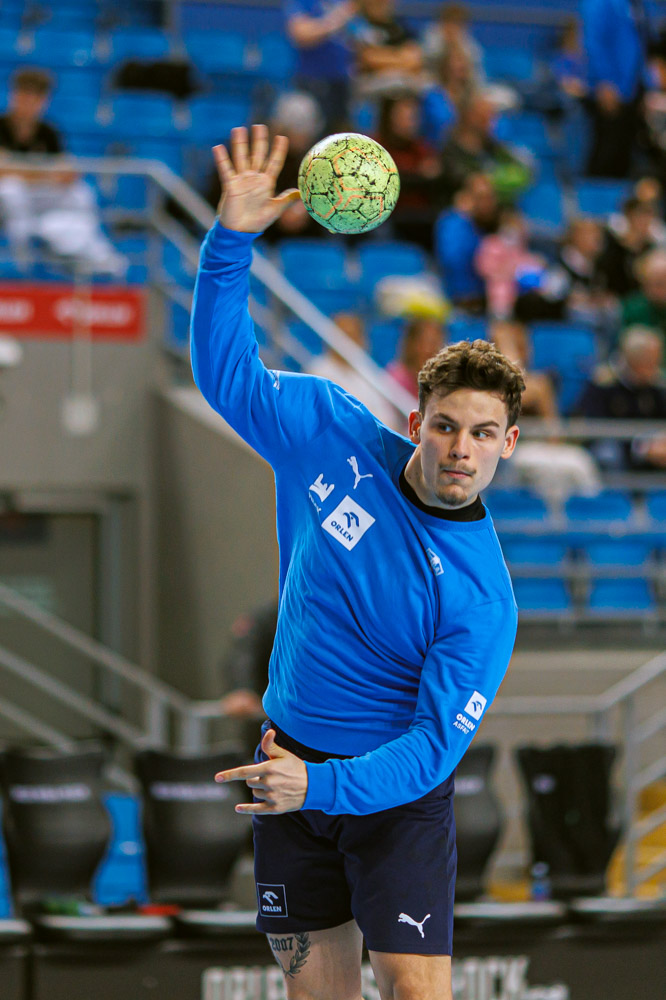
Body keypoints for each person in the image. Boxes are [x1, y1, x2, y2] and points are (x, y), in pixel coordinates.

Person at [191, 124, 524, 1000]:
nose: (460, 448)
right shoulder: (331, 432)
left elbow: (431, 753)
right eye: (445, 425)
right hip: (286, 769)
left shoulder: (483, 599)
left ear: (508, 445)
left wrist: (322, 785)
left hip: (392, 801)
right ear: (416, 422)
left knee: (415, 993)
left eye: (482, 433)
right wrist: (230, 243)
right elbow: (227, 377)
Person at [0, 67, 126, 276]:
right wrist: (44, 173)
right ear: (14, 95)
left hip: (39, 193)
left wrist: (36, 173)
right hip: (9, 202)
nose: (28, 102)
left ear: (43, 101)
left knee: (81, 193)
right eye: (23, 95)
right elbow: (3, 171)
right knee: (10, 189)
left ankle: (93, 251)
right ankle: (23, 255)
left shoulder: (49, 132)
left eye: (35, 97)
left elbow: (66, 170)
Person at [576, 325, 666, 470]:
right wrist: (641, 448)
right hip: (616, 445)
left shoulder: (657, 387)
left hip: (653, 445)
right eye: (650, 358)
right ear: (633, 358)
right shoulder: (605, 384)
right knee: (608, 453)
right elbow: (595, 426)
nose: (655, 364)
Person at [581, 0, 649, 178]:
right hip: (610, 91)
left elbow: (639, 44)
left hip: (631, 90)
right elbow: (594, 40)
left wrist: (644, 86)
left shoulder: (637, 4)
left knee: (624, 158)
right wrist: (604, 81)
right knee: (605, 156)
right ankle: (595, 194)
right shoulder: (602, 3)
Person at [309, 311, 402, 429]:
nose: (347, 342)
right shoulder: (318, 372)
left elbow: (388, 417)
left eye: (353, 336)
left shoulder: (368, 369)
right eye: (343, 336)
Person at [284, 0, 357, 132]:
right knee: (313, 134)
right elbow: (300, 34)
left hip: (343, 83)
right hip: (314, 81)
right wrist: (336, 20)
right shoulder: (305, 2)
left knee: (340, 135)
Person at [434, 171, 499, 312]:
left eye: (491, 197)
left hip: (492, 303)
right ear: (465, 198)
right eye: (481, 197)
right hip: (460, 303)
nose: (487, 204)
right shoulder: (454, 223)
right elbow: (452, 260)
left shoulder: (498, 223)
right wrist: (462, 217)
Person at [350, 0, 424, 99]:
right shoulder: (358, 24)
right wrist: (400, 57)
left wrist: (383, 57)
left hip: (399, 84)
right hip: (367, 89)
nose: (381, 3)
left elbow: (415, 60)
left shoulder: (398, 27)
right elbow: (368, 59)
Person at [386, 316, 446, 396]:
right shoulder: (393, 382)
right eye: (425, 343)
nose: (431, 351)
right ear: (411, 344)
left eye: (437, 344)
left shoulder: (442, 386)